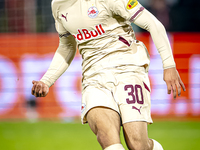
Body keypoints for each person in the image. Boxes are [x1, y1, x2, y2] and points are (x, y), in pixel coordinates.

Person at [31, 0, 186, 149]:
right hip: (94, 78)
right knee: (107, 138)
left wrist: (169, 65)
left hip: (128, 68)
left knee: (138, 145)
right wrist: (47, 80)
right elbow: (67, 46)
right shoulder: (58, 4)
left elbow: (153, 24)